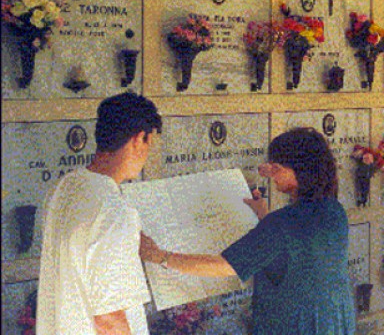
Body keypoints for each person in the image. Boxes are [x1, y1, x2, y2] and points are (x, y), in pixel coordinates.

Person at [142, 127, 356, 334]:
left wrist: (161, 256)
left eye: (277, 168)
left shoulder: (281, 224)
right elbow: (297, 245)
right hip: (334, 320)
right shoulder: (333, 211)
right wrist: (265, 216)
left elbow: (226, 266)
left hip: (296, 324)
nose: (272, 175)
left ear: (300, 171)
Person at [36, 92, 162, 335]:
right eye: (149, 143)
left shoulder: (64, 187)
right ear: (139, 140)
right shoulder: (114, 210)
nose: (147, 154)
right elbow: (109, 319)